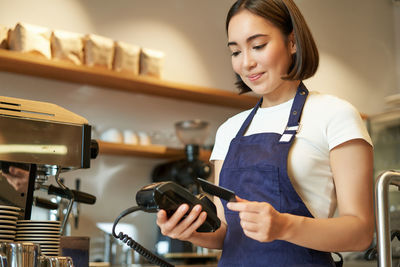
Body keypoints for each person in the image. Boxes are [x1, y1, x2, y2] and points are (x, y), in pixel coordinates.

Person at [156, 0, 374, 266]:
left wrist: (283, 226)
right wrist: (191, 231)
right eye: (235, 52)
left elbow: (361, 233)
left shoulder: (335, 115)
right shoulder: (229, 131)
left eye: (258, 46)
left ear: (292, 42)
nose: (246, 63)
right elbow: (226, 233)